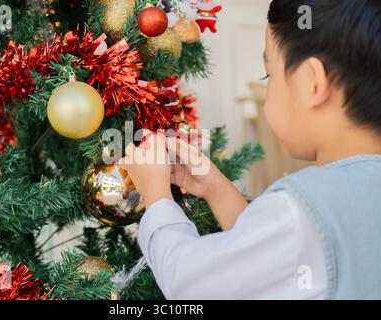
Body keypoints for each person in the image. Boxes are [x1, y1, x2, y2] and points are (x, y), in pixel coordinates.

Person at [119, 0, 381, 299]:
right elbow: (272, 262)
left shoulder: (302, 211)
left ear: (312, 83)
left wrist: (157, 197)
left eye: (269, 75)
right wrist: (217, 190)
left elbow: (191, 283)